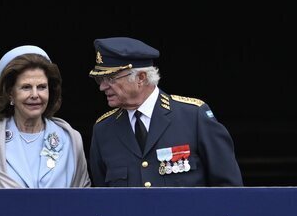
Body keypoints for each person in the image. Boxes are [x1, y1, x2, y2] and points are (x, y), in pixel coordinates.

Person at [88, 36, 242, 187]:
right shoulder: (103, 130)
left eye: (111, 79)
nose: (102, 87)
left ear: (141, 78)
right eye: (100, 80)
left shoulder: (193, 116)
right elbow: (104, 200)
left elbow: (229, 189)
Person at [0, 46, 90, 188]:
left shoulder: (70, 138)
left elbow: (84, 199)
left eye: (42, 87)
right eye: (26, 87)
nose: (35, 95)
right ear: (10, 93)